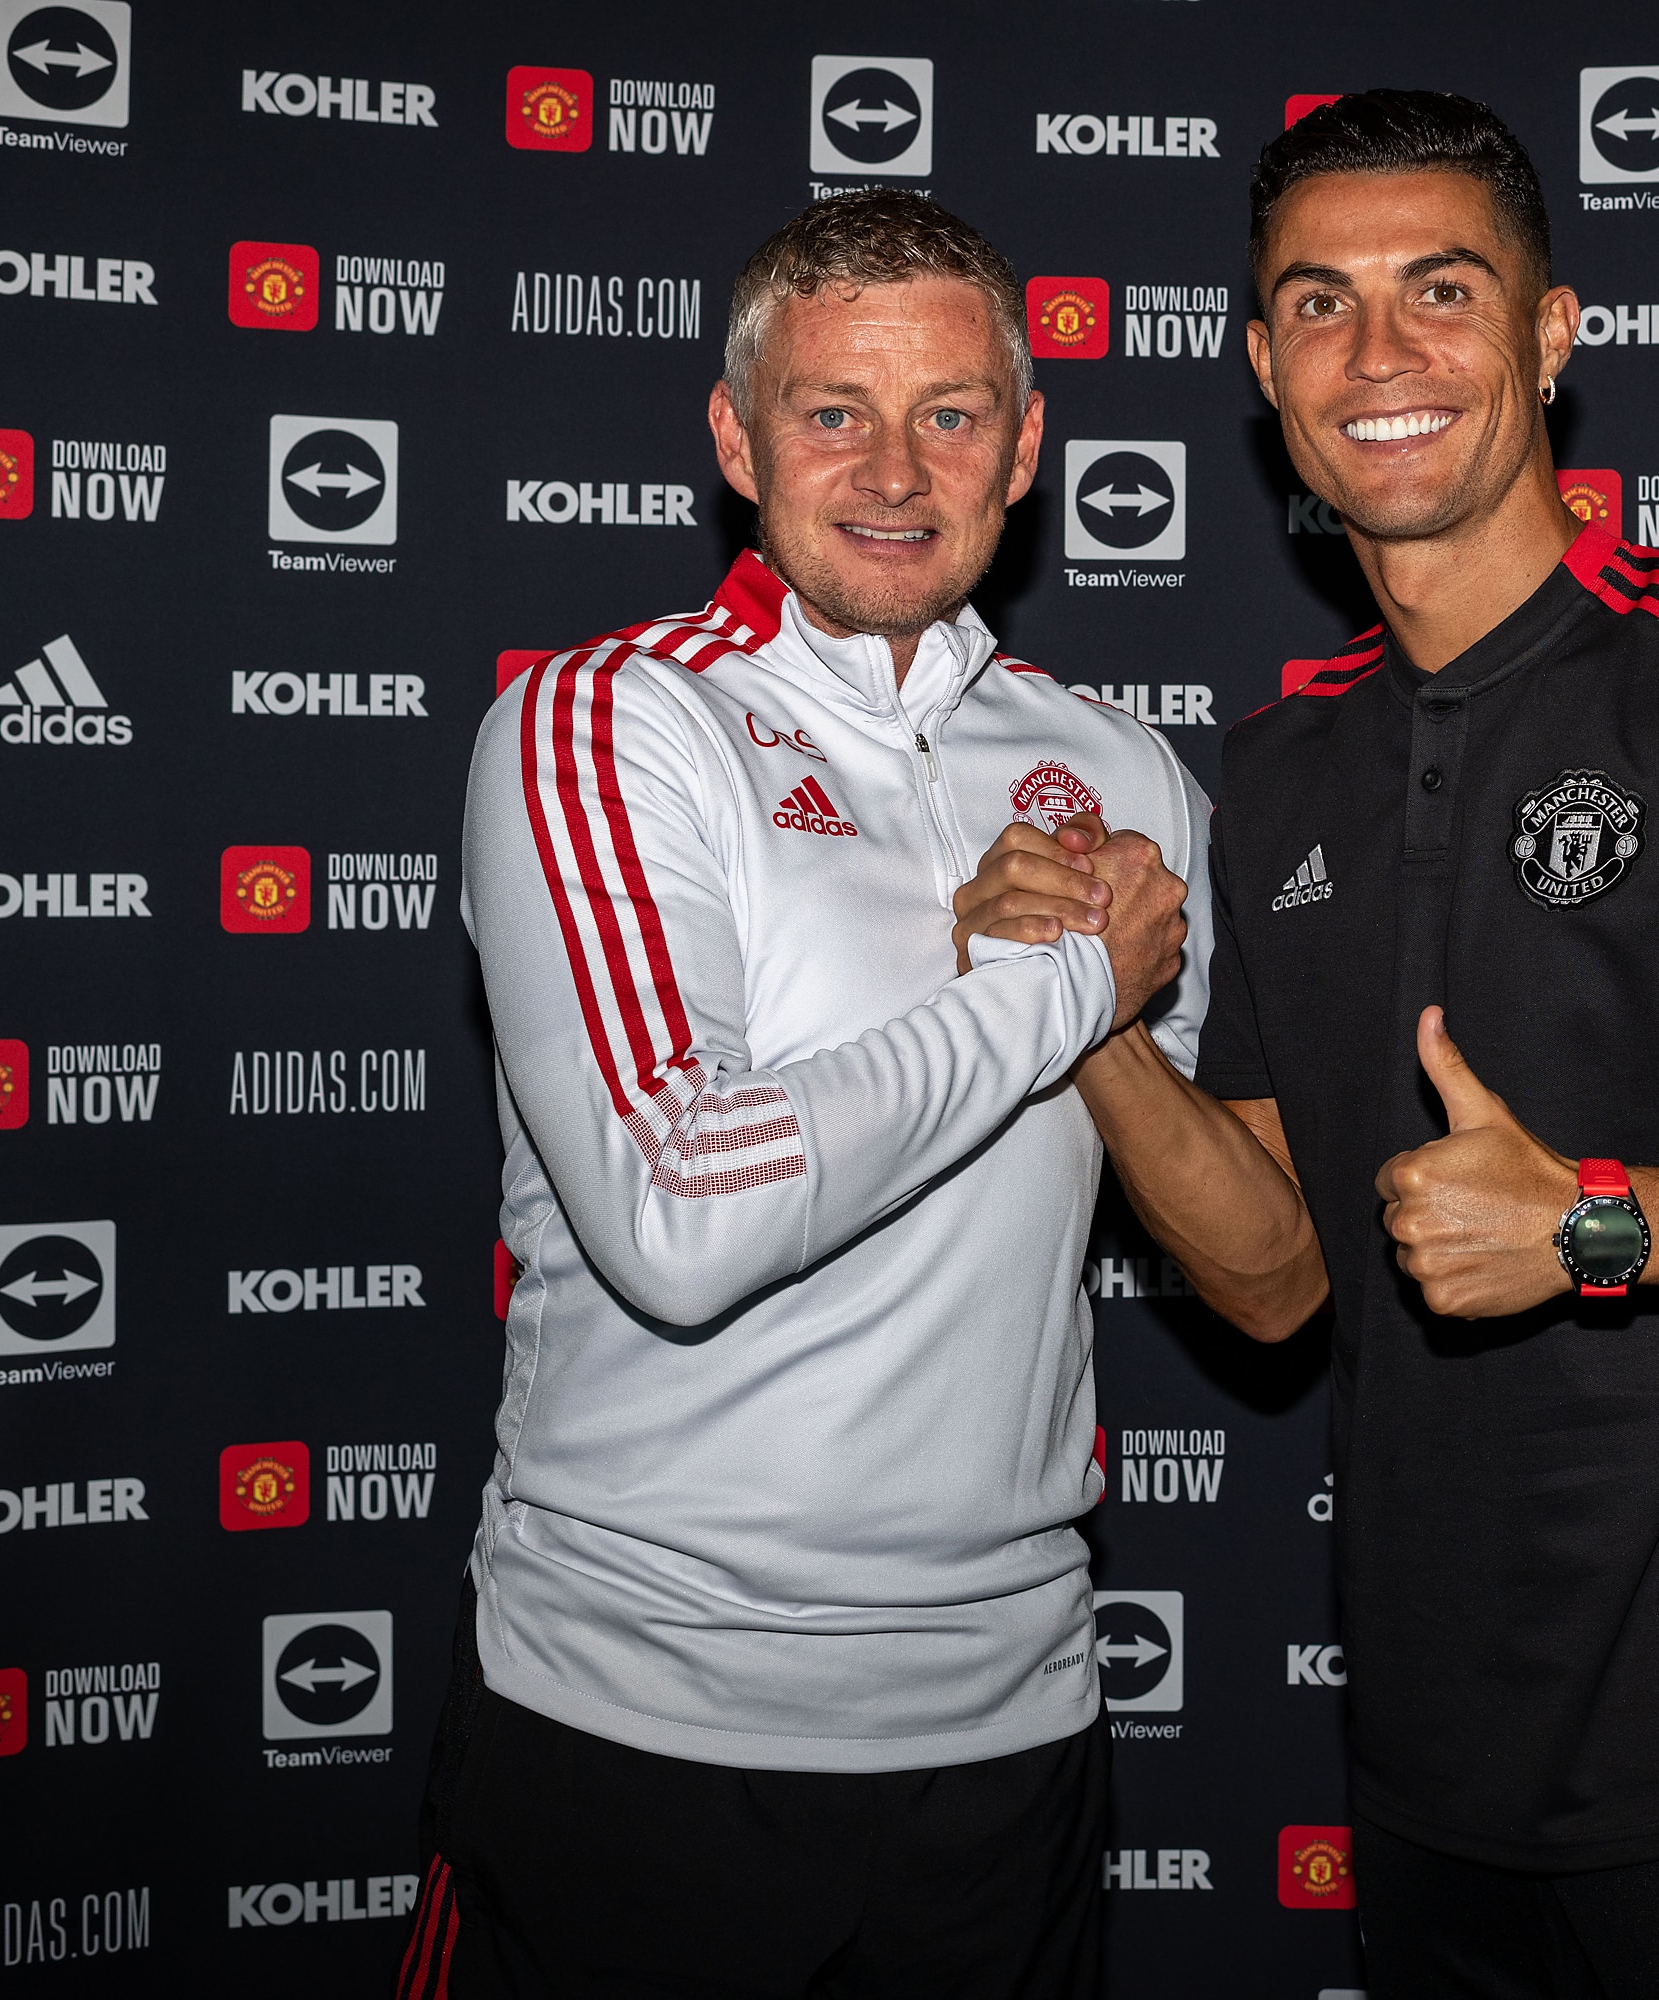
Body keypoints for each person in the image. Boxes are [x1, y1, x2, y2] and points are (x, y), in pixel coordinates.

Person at [975, 92, 1659, 1999]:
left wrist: (1596, 1221)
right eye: (1318, 305)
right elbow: (1266, 1282)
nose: (1381, 355)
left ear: (1554, 336)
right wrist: (1078, 1017)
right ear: (1261, 367)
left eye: (1441, 291)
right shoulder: (1280, 765)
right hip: (1431, 1763)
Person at [420, 188, 1203, 1999]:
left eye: (949, 412)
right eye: (831, 410)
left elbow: (1261, 1260)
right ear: (734, 437)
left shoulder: (1126, 768)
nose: (892, 466)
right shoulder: (608, 722)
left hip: (1014, 1730)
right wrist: (1070, 982)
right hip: (639, 1722)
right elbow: (681, 1212)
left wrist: (1093, 1021)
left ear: (1026, 446)